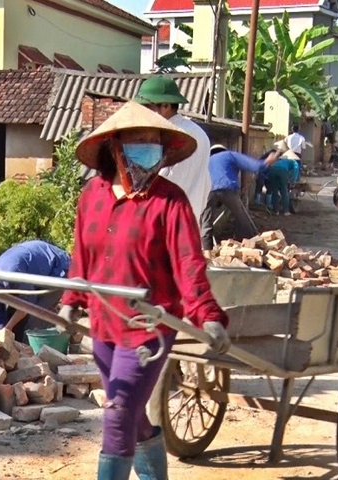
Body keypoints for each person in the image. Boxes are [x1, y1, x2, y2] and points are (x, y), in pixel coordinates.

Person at [59, 101, 230, 480]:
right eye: (139, 141)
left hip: (148, 328)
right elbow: (81, 255)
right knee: (133, 417)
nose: (148, 148)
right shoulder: (93, 195)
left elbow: (189, 264)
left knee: (117, 415)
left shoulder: (169, 201)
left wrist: (209, 316)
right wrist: (72, 299)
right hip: (104, 324)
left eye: (154, 142)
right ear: (115, 147)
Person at [134, 75, 212, 230]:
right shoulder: (199, 133)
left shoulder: (173, 136)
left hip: (163, 227)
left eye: (147, 107)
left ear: (165, 106)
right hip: (188, 226)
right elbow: (206, 184)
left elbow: (159, 184)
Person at [0, 240, 71, 343]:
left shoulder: (10, 274)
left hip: (56, 267)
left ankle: (39, 352)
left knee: (34, 317)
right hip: (33, 274)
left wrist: (8, 328)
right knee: (14, 318)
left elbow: (28, 303)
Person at [202, 144, 278, 252]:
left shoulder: (207, 161)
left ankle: (206, 253)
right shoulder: (229, 155)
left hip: (208, 190)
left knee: (206, 221)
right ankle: (253, 246)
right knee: (242, 218)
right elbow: (255, 166)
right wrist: (267, 161)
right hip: (227, 188)